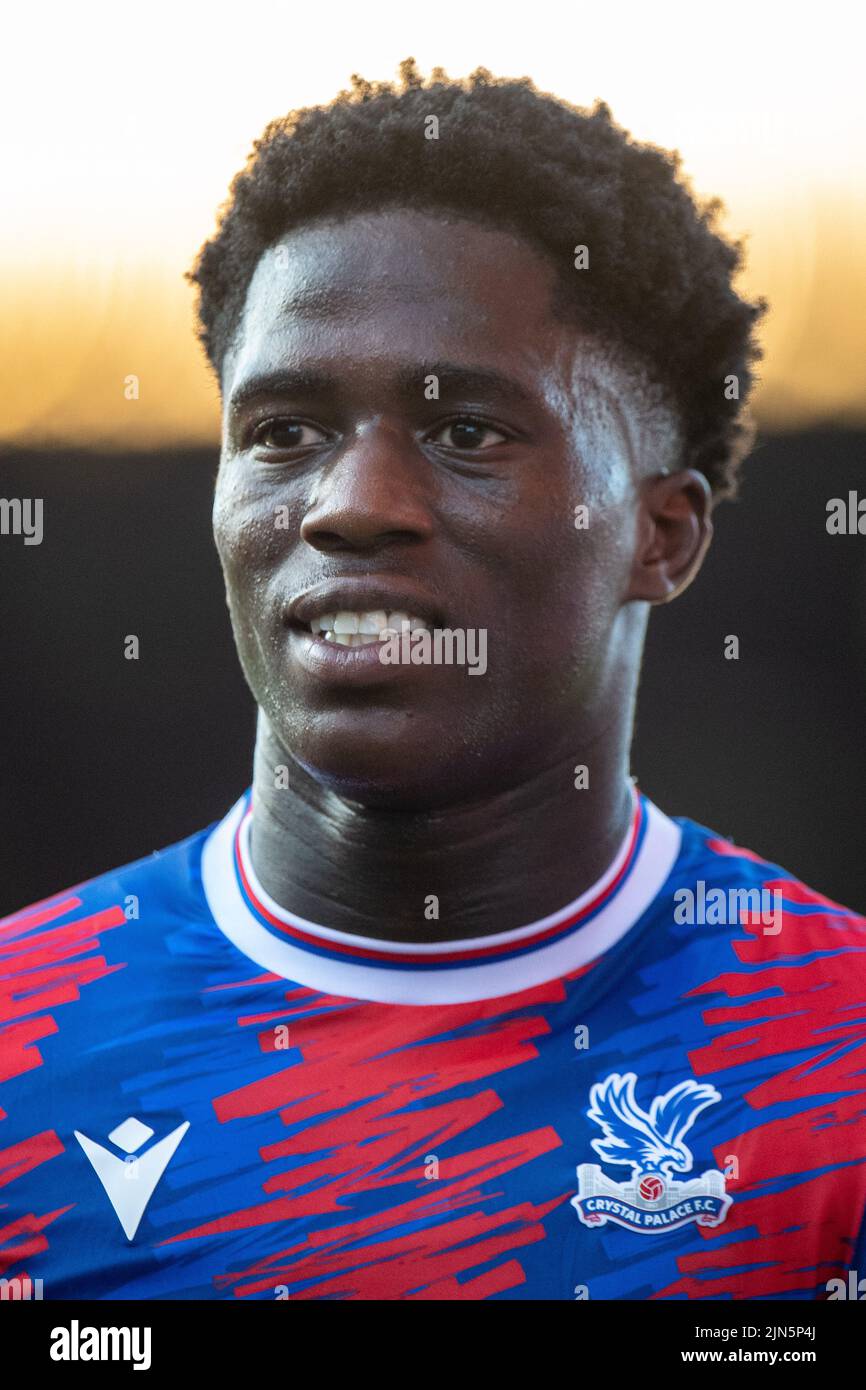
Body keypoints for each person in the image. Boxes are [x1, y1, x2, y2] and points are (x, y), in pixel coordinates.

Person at [4, 59, 864, 1302]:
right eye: (284, 431)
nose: (351, 506)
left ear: (660, 534)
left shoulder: (833, 1061)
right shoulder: (20, 1046)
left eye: (467, 432)